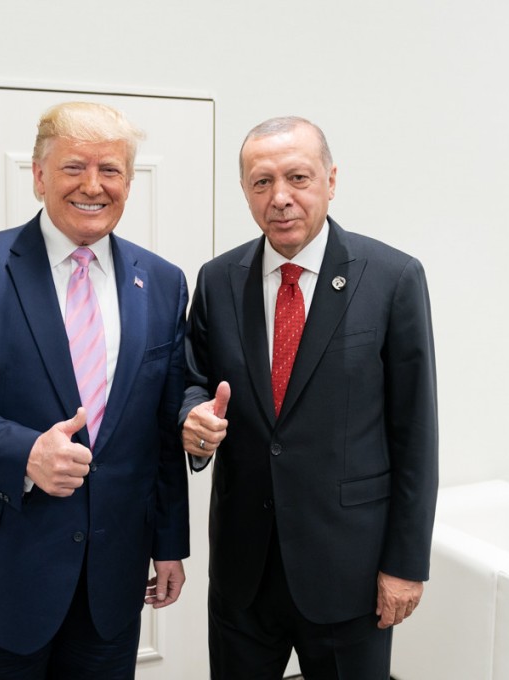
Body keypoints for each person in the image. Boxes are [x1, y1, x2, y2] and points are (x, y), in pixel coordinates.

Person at [0, 101, 190, 680]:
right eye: (73, 166)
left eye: (110, 170)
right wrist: (25, 453)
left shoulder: (161, 281)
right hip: (1, 569)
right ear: (38, 176)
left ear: (129, 182)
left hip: (111, 578)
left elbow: (159, 427)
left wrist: (169, 542)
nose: (93, 185)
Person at [180, 116, 438, 679]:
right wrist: (191, 417)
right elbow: (191, 378)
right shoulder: (219, 279)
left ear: (331, 180)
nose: (281, 198)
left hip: (350, 573)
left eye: (298, 177)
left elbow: (415, 434)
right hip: (244, 572)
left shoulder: (392, 278)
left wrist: (405, 564)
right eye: (262, 182)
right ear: (246, 191)